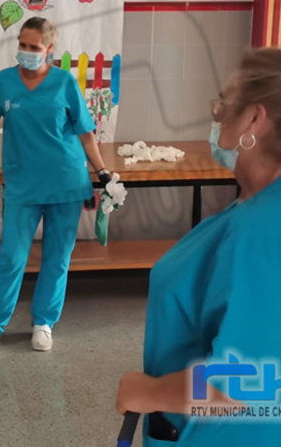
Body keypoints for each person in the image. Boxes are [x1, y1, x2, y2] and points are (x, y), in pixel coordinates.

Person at [117, 48, 281, 446]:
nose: (217, 117)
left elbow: (242, 388)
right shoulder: (250, 207)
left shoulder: (263, 229)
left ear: (254, 120)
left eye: (223, 106)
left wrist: (149, 393)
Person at [0, 17, 116, 356]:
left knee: (57, 257)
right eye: (23, 45)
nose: (26, 53)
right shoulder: (5, 82)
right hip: (23, 185)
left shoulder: (64, 83)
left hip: (66, 183)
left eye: (34, 47)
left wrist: (101, 171)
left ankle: (43, 322)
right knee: (11, 256)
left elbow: (85, 132)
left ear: (50, 50)